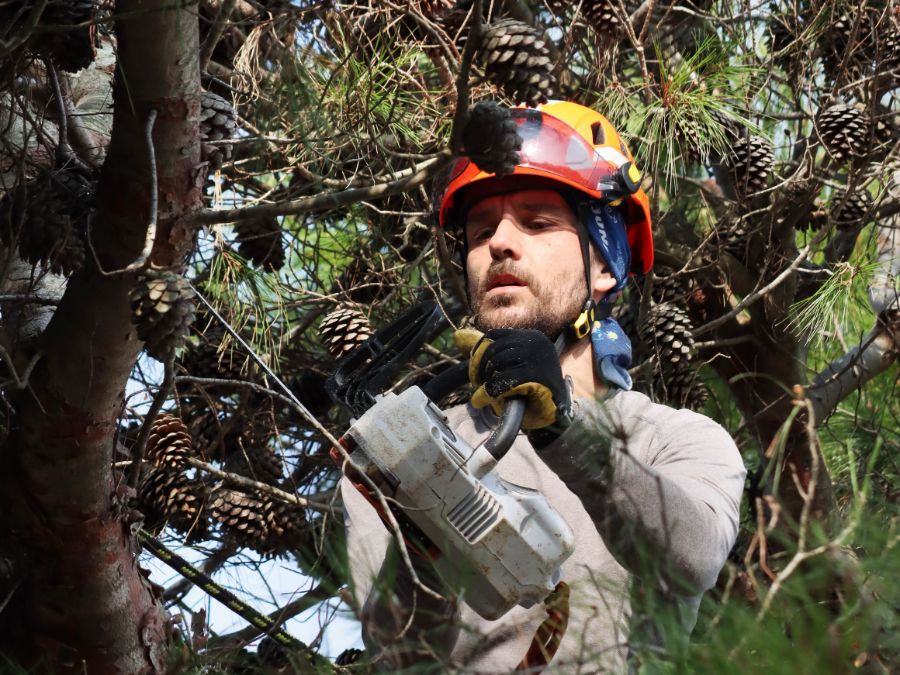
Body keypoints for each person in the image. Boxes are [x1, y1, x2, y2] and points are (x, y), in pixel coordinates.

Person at [339, 101, 746, 673]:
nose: (499, 243)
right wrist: (420, 508)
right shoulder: (407, 450)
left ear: (604, 263)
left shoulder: (675, 439)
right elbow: (397, 652)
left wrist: (563, 433)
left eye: (536, 223)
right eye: (482, 231)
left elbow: (693, 559)